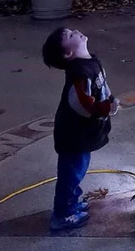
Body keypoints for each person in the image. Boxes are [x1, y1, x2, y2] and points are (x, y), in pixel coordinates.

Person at [42, 27, 120, 231]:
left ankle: (72, 202)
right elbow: (80, 104)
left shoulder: (91, 62)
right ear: (68, 53)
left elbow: (103, 85)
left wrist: (110, 100)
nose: (75, 31)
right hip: (73, 134)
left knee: (78, 169)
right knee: (71, 173)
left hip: (82, 133)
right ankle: (62, 214)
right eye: (69, 35)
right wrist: (105, 108)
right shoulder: (80, 74)